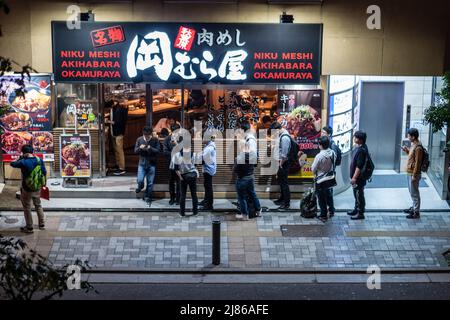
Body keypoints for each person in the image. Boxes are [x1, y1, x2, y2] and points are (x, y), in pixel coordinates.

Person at [10, 145, 47, 234]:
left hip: (27, 189)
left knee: (27, 207)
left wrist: (19, 158)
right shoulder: (39, 160)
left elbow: (12, 163)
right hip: (37, 187)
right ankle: (41, 224)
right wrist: (44, 185)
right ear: (32, 151)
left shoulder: (23, 162)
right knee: (38, 205)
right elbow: (44, 172)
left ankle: (29, 227)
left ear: (24, 153)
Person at [134, 126, 161, 205]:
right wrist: (140, 148)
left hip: (152, 164)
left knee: (150, 183)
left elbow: (158, 151)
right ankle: (140, 186)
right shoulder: (139, 139)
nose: (147, 137)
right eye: (145, 135)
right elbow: (135, 151)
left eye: (148, 135)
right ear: (143, 134)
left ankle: (147, 196)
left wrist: (150, 148)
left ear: (151, 134)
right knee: (140, 180)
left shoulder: (155, 140)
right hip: (142, 164)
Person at [312, 136, 336, 222]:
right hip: (330, 178)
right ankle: (332, 211)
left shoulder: (319, 156)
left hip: (321, 180)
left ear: (320, 145)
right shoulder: (333, 152)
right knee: (329, 195)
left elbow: (313, 169)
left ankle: (323, 215)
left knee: (321, 198)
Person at [174, 136, 199, 217]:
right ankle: (195, 211)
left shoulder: (177, 155)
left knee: (183, 195)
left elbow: (176, 169)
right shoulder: (194, 154)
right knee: (194, 194)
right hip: (192, 175)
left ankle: (182, 212)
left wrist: (181, 178)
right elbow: (195, 165)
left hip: (183, 176)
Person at [234, 150, 262, 221]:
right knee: (253, 194)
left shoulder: (239, 158)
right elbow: (255, 165)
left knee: (241, 198)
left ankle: (245, 216)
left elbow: (235, 170)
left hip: (242, 179)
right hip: (251, 178)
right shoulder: (253, 156)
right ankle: (258, 211)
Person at [402, 128, 424, 219]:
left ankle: (416, 212)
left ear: (413, 137)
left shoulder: (418, 147)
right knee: (412, 192)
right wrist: (407, 151)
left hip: (413, 173)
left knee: (414, 193)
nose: (408, 137)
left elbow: (418, 163)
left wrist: (414, 175)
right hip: (410, 172)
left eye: (409, 136)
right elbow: (412, 158)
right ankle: (414, 207)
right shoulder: (414, 145)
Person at [347, 130, 369, 220]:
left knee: (359, 195)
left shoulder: (361, 151)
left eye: (355, 137)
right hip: (358, 178)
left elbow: (359, 166)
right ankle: (356, 209)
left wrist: (354, 178)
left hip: (359, 178)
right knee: (356, 194)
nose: (354, 138)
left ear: (360, 139)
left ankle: (360, 213)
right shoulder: (362, 147)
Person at [321, 126, 342, 217]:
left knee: (328, 192)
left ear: (329, 134)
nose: (322, 134)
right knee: (327, 191)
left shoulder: (332, 145)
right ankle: (329, 208)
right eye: (321, 132)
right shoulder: (326, 143)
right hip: (326, 172)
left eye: (324, 133)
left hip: (329, 172)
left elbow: (332, 160)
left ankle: (331, 210)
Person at [270, 121, 291, 210]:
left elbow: (284, 154)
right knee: (281, 182)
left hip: (283, 163)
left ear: (278, 130)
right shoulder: (281, 135)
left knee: (284, 183)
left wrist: (280, 164)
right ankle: (282, 199)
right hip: (280, 162)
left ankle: (286, 203)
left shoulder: (285, 137)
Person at [105, 100, 128, 175]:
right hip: (114, 132)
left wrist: (108, 121)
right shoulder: (114, 108)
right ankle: (118, 165)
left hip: (118, 133)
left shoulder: (118, 110)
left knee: (119, 150)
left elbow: (117, 122)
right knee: (116, 150)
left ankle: (122, 168)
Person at [163, 124, 181, 205]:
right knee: (171, 182)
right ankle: (172, 198)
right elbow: (165, 151)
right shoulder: (167, 139)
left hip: (180, 164)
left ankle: (178, 199)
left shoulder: (182, 139)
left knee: (179, 182)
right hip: (170, 163)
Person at [198, 134, 217, 210]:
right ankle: (206, 200)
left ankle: (209, 205)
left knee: (208, 186)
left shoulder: (209, 148)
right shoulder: (209, 145)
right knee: (207, 185)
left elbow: (203, 158)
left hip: (208, 169)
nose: (201, 140)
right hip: (209, 168)